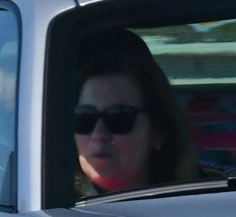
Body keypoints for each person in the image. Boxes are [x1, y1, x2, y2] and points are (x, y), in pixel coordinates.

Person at [72, 26, 200, 198]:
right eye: (84, 118)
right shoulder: (50, 208)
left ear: (157, 131)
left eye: (119, 117)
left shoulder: (203, 203)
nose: (98, 134)